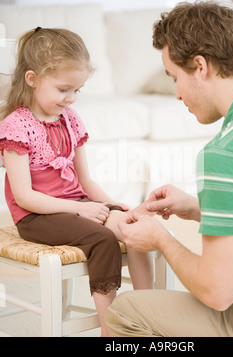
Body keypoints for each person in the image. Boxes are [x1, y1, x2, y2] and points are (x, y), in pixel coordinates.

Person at [105, 1, 233, 337]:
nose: (178, 94)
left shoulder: (227, 152)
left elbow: (218, 291)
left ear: (200, 66)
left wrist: (161, 239)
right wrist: (199, 207)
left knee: (125, 312)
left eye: (174, 77)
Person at [0, 27, 154, 337]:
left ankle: (148, 310)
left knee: (136, 227)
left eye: (77, 90)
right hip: (36, 216)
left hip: (76, 205)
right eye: (62, 89)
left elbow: (85, 180)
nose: (70, 99)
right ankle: (111, 331)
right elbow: (25, 196)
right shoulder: (16, 127)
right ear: (31, 79)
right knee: (103, 240)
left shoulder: (70, 120)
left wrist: (112, 204)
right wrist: (80, 210)